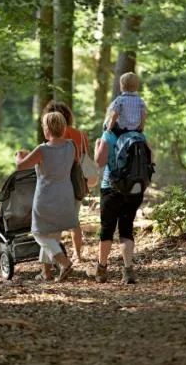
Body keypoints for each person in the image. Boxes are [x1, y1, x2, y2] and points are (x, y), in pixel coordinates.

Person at [15, 111, 77, 282]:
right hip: (65, 194)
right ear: (64, 128)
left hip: (46, 197)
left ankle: (64, 263)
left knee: (39, 234)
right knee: (52, 236)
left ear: (46, 130)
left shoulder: (42, 149)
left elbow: (21, 166)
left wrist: (19, 156)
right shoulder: (71, 146)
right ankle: (47, 273)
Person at [90, 129, 144, 284]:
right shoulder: (139, 135)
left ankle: (101, 269)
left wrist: (97, 148)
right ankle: (128, 271)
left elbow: (99, 163)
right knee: (126, 228)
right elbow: (150, 159)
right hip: (134, 189)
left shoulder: (109, 135)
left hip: (111, 187)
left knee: (107, 228)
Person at [42, 100, 90, 263]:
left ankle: (55, 258)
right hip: (77, 182)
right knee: (74, 221)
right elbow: (84, 157)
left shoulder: (54, 134)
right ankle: (78, 255)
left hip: (58, 182)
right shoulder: (81, 134)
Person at [104, 72, 147, 138]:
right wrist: (141, 128)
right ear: (136, 86)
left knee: (106, 132)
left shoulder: (120, 100)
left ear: (122, 86)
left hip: (121, 130)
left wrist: (109, 128)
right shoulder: (140, 101)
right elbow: (143, 115)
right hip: (136, 130)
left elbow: (114, 115)